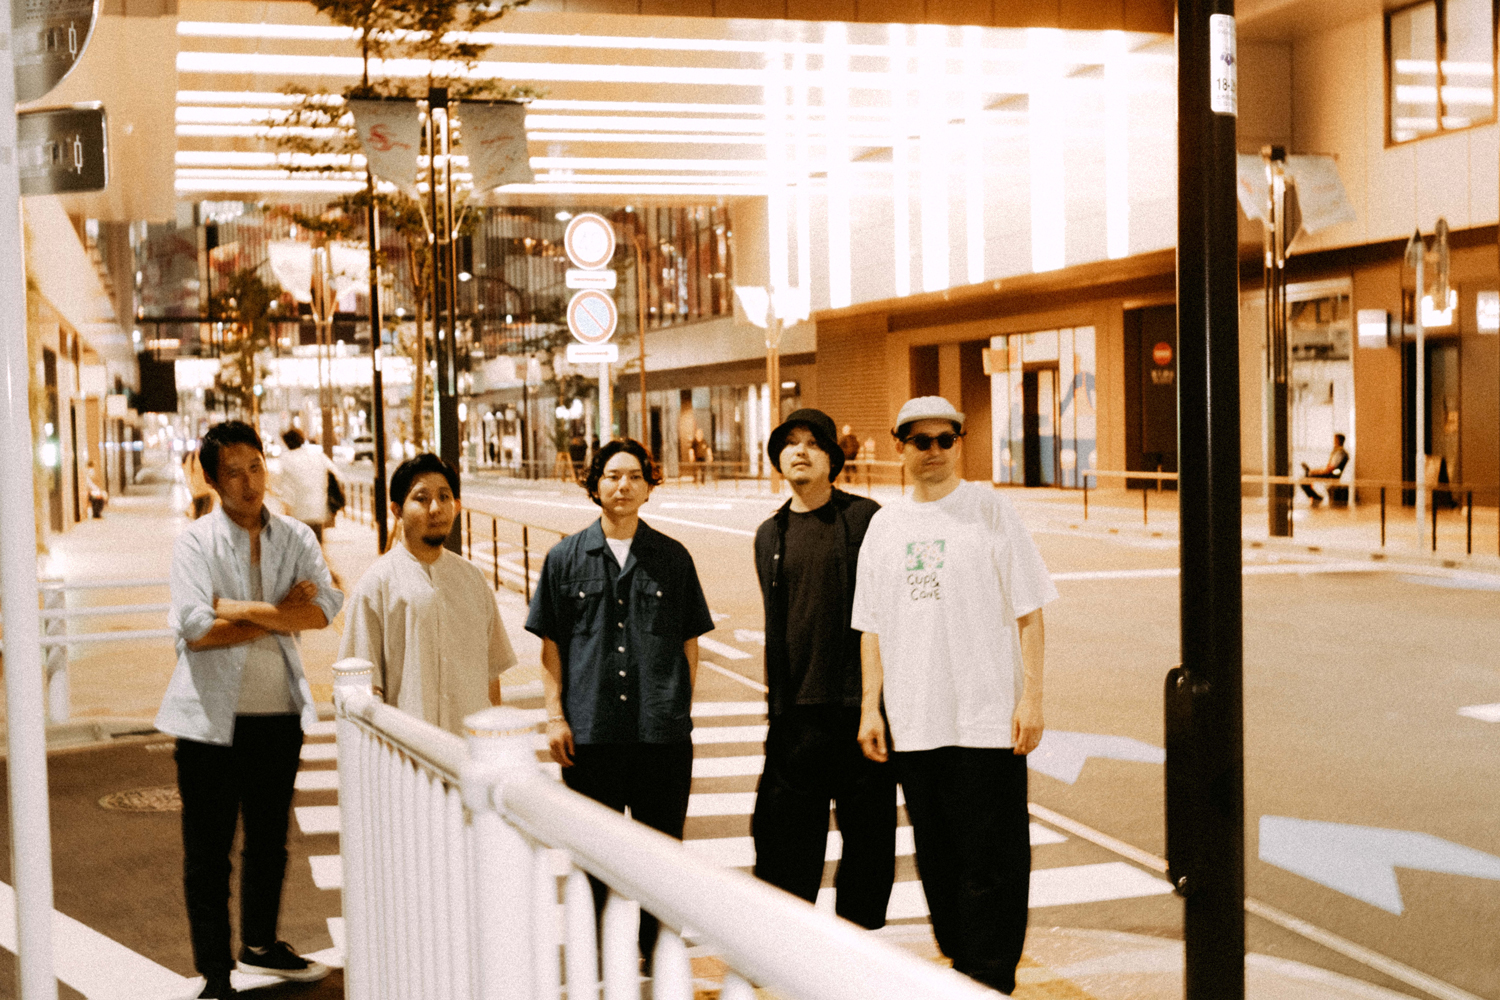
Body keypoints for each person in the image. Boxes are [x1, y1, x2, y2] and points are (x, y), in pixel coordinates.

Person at [851, 396, 1056, 996]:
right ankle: (963, 964)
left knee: (992, 857)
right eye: (921, 441)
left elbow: (1030, 610)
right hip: (915, 721)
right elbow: (871, 626)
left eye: (946, 440)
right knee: (937, 856)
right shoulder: (885, 526)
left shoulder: (989, 509)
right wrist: (870, 707)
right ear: (900, 447)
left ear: (959, 444)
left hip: (987, 720)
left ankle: (990, 978)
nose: (934, 451)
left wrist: (1032, 697)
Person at [156, 420, 343, 1000]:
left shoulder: (295, 536)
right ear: (212, 481)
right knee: (208, 853)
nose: (248, 482)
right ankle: (215, 973)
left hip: (279, 715)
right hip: (208, 722)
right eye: (233, 473)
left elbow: (324, 608)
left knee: (269, 842)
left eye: (256, 466)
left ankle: (260, 943)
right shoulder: (195, 543)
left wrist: (237, 608)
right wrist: (278, 613)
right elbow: (196, 631)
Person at [526, 438, 715, 960]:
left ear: (650, 486)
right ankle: (601, 961)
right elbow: (551, 646)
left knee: (662, 857)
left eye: (634, 476)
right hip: (591, 736)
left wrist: (676, 707)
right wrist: (554, 717)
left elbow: (689, 643)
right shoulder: (564, 558)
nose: (623, 485)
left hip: (661, 738)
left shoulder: (673, 558)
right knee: (594, 860)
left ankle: (658, 958)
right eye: (611, 476)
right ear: (594, 486)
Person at [752, 409, 894, 928]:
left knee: (868, 845)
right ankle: (793, 951)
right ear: (778, 457)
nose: (801, 451)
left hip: (860, 713)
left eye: (814, 443)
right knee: (784, 849)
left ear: (833, 459)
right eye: (791, 442)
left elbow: (886, 615)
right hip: (796, 719)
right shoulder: (769, 534)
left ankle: (856, 952)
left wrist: (875, 706)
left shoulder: (866, 519)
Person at [338, 454, 518, 734]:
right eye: (421, 499)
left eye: (444, 497)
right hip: (410, 749)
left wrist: (493, 738)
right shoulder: (376, 585)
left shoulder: (473, 580)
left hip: (469, 746)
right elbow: (362, 688)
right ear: (397, 510)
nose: (435, 508)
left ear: (456, 506)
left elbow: (490, 676)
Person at [274, 428, 340, 542]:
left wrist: (286, 515)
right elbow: (335, 472)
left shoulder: (287, 459)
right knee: (316, 544)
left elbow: (287, 491)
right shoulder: (316, 454)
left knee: (302, 547)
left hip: (299, 514)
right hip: (318, 510)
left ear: (286, 442)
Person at [1300, 433, 1350, 504]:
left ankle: (1316, 497)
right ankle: (1315, 497)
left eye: (1335, 440)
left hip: (1331, 474)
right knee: (1307, 476)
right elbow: (1330, 467)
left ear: (1338, 441)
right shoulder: (1337, 452)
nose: (1334, 442)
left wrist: (1318, 472)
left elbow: (1331, 469)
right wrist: (1318, 470)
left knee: (1304, 480)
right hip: (1330, 472)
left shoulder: (1340, 453)